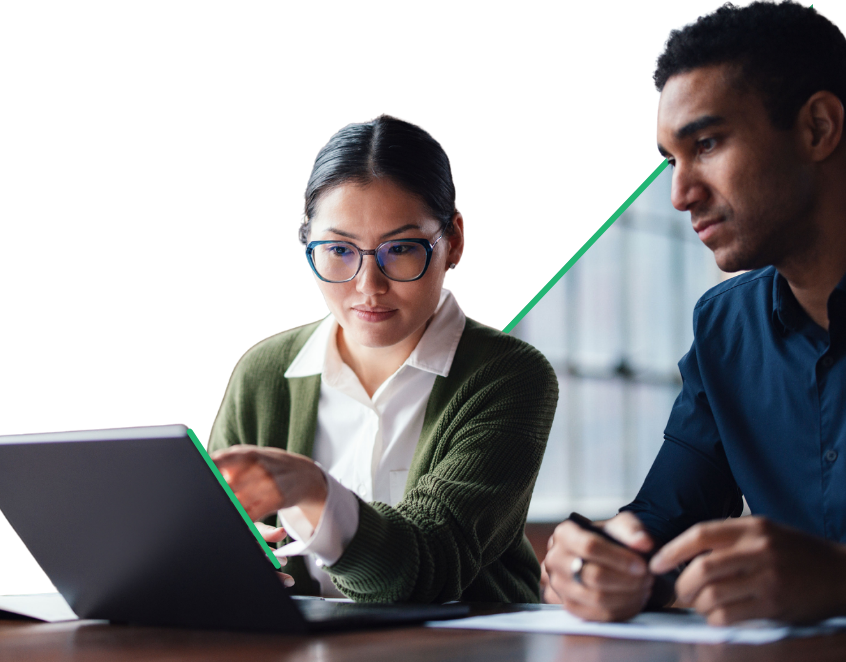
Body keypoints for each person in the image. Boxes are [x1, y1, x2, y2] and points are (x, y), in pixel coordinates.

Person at [543, 0, 846, 625]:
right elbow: (660, 526)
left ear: (818, 127)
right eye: (670, 161)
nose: (681, 194)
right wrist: (602, 564)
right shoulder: (724, 329)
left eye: (706, 143)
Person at [206, 114, 559, 603]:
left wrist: (312, 490)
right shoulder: (263, 371)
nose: (368, 286)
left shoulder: (509, 376)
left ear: (453, 241)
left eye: (402, 249)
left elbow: (429, 566)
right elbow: (215, 535)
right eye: (338, 250)